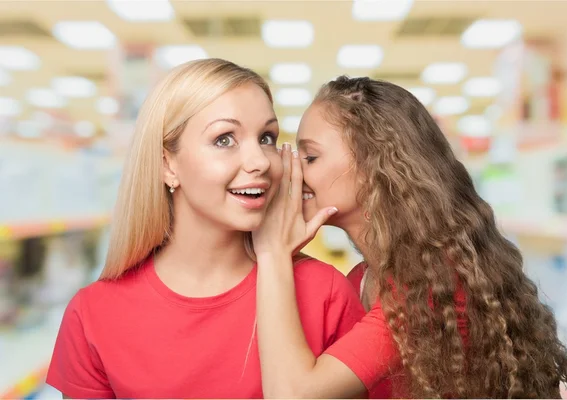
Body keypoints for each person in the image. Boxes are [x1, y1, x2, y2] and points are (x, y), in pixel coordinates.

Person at [45, 60, 366, 399]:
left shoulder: (324, 293)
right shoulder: (94, 313)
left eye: (266, 137)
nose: (259, 161)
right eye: (224, 139)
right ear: (167, 163)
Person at [252, 76, 567, 399]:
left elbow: (292, 394)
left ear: (373, 167)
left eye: (310, 157)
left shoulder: (429, 287)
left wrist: (272, 252)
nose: (291, 171)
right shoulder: (362, 279)